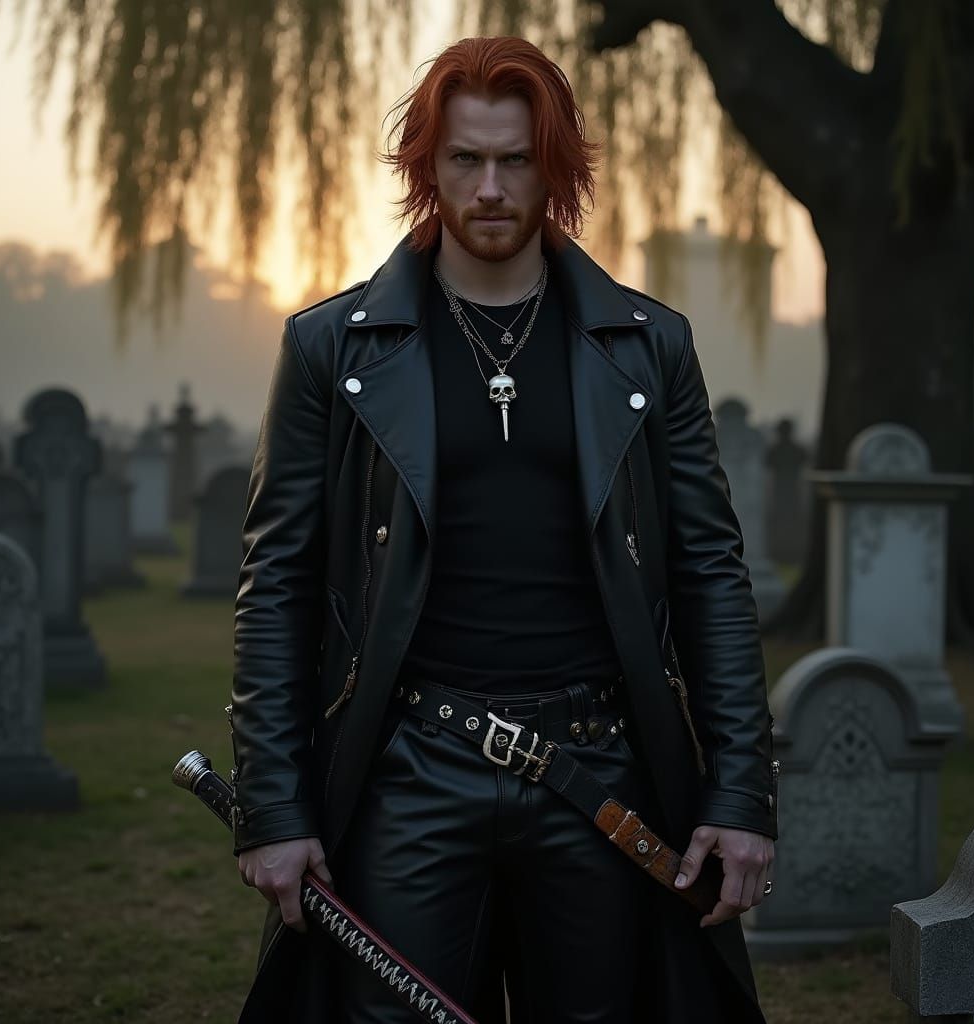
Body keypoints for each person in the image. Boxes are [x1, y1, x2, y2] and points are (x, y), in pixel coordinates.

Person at [230, 35, 778, 1024]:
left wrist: (741, 793)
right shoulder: (328, 349)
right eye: (464, 159)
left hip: (602, 774)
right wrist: (274, 806)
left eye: (516, 160)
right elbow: (278, 584)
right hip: (409, 772)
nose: (488, 187)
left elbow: (708, 573)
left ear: (556, 169)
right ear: (426, 167)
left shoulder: (648, 347)